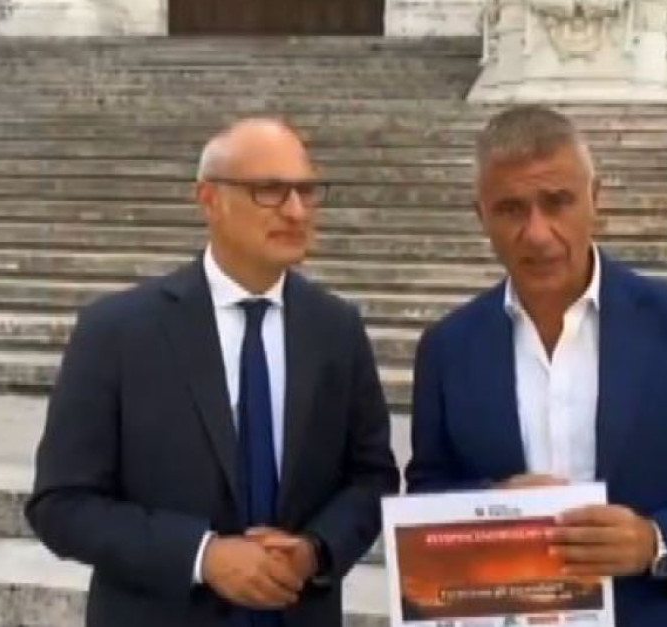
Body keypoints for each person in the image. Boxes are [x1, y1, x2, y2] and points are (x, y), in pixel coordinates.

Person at [404, 105, 667, 627]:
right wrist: (492, 508)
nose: (537, 233)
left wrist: (655, 540)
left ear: (595, 199)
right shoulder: (448, 347)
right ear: (481, 217)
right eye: (511, 209)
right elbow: (426, 492)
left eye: (557, 202)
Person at [26, 117, 399, 627]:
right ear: (209, 199)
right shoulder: (116, 331)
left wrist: (315, 550)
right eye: (270, 190)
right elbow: (61, 504)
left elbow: (372, 478)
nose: (296, 210)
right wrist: (202, 556)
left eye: (307, 191)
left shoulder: (336, 328)